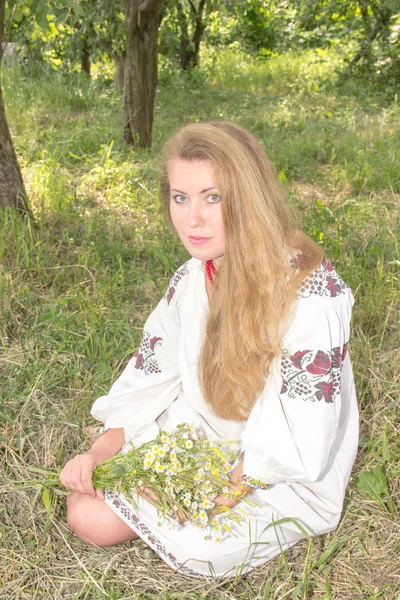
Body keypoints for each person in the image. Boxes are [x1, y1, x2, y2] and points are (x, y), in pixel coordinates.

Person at [60, 122, 358, 578]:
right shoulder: (191, 278)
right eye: (180, 197)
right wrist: (98, 455)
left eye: (212, 197)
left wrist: (207, 491)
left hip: (275, 468)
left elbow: (304, 427)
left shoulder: (310, 292)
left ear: (248, 197)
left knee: (174, 542)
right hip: (200, 429)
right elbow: (152, 374)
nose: (192, 219)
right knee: (84, 511)